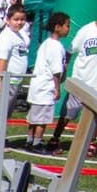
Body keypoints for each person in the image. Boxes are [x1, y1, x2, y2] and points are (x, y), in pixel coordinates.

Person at [48, 0, 97, 156]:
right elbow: (70, 51)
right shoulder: (87, 30)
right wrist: (65, 70)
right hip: (81, 81)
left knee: (96, 117)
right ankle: (55, 138)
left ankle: (92, 142)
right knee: (67, 113)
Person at [26, 12, 69, 152]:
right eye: (67, 26)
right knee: (42, 118)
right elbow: (56, 70)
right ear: (58, 27)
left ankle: (30, 139)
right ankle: (37, 144)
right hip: (46, 85)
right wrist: (57, 88)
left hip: (37, 84)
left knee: (34, 116)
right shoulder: (56, 46)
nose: (68, 29)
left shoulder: (46, 43)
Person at [0, 3, 30, 151]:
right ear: (8, 20)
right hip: (5, 80)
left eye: (22, 19)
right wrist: (0, 81)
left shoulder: (20, 35)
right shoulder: (6, 36)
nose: (19, 22)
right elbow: (2, 59)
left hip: (15, 79)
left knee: (5, 113)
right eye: (16, 19)